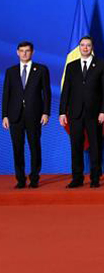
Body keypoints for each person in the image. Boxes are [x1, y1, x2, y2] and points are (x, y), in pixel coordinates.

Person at [59, 36, 104, 188]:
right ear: (79, 47)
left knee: (95, 146)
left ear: (92, 47)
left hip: (94, 113)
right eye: (82, 45)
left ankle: (95, 178)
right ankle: (77, 178)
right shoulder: (71, 66)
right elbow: (66, 91)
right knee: (76, 146)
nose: (85, 48)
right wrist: (62, 112)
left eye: (88, 45)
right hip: (74, 113)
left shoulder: (101, 65)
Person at [2, 41, 51, 189]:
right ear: (17, 52)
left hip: (34, 115)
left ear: (32, 52)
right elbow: (6, 95)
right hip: (15, 115)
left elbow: (47, 93)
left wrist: (46, 112)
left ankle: (34, 178)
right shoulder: (11, 71)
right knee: (17, 148)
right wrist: (4, 115)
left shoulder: (41, 70)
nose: (24, 53)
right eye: (21, 51)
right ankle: (20, 179)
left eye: (27, 51)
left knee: (34, 146)